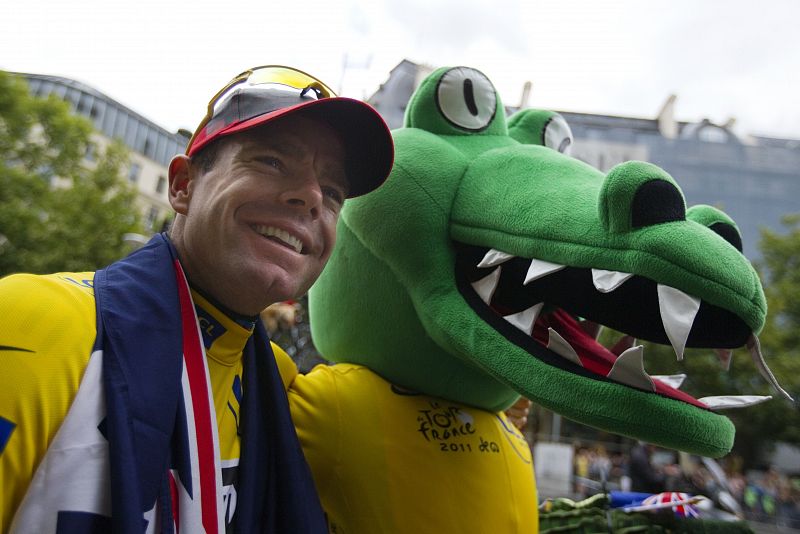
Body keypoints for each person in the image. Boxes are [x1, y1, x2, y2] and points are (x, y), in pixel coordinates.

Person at [0, 65, 393, 533]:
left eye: (333, 192)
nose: (311, 197)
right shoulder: (33, 322)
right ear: (183, 185)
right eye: (271, 161)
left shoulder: (290, 392)